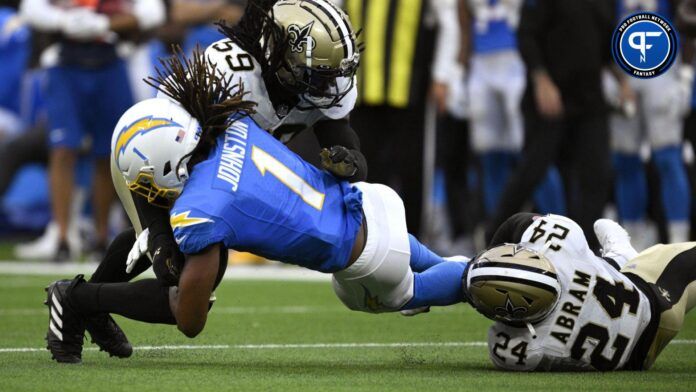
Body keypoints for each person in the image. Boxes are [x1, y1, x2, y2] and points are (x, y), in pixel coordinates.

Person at [43, 49, 469, 363]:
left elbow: (190, 321)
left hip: (362, 255)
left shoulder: (202, 206)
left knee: (451, 282)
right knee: (171, 255)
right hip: (367, 201)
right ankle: (83, 303)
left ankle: (81, 299)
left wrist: (192, 277)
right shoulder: (228, 112)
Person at [20, 0, 167, 260]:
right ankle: (63, 237)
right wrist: (63, 20)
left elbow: (153, 12)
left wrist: (105, 23)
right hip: (64, 59)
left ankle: (102, 237)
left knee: (109, 152)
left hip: (111, 59)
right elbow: (31, 8)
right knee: (63, 148)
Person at [466, 212, 696, 371]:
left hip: (635, 361)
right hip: (655, 299)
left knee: (595, 271)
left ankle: (618, 260)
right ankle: (620, 258)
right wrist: (493, 250)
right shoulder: (564, 239)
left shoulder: (514, 350)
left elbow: (494, 312)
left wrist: (481, 296)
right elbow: (517, 221)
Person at [483, 0, 626, 250]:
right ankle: (492, 239)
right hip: (549, 98)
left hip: (589, 99)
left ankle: (585, 250)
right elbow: (526, 36)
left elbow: (605, 45)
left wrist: (623, 81)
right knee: (532, 170)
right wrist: (541, 80)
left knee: (596, 175)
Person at [460, 0, 564, 225]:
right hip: (481, 58)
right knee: (490, 153)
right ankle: (500, 232)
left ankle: (558, 226)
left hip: (517, 55)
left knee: (533, 154)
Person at [607, 0, 692, 248]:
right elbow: (602, 19)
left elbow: (689, 19)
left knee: (668, 156)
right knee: (625, 160)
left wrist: (686, 75)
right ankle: (630, 242)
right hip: (621, 64)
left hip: (665, 63)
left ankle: (680, 241)